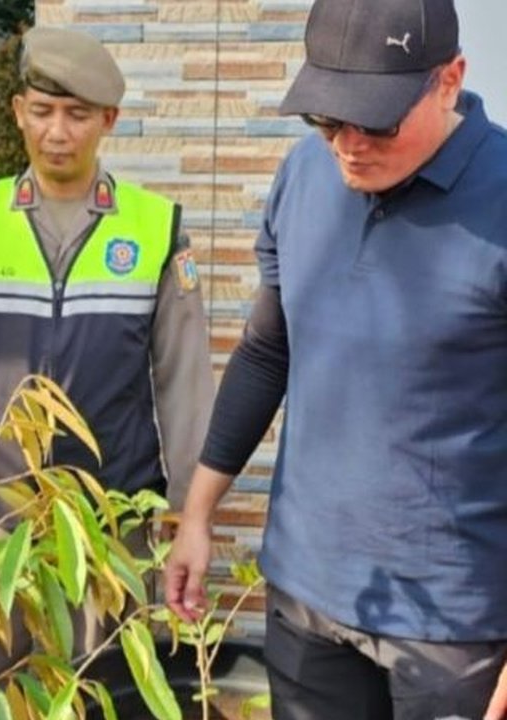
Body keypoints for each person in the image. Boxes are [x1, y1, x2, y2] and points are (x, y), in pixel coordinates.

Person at [162, 0, 507, 717]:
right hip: (306, 598)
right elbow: (266, 351)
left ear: (450, 80)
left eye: (375, 120)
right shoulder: (304, 175)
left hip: (457, 629)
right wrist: (199, 514)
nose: (348, 144)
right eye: (326, 119)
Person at [0, 25, 213, 717]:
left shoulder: (153, 227)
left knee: (104, 688)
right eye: (41, 111)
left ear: (108, 122)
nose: (57, 132)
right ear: (17, 114)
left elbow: (183, 381)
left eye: (77, 115)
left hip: (109, 517)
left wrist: (191, 512)